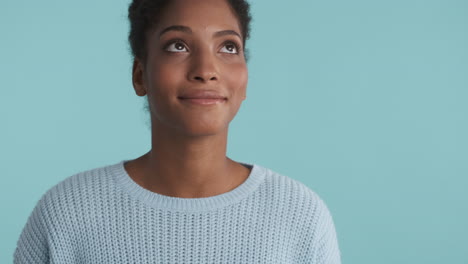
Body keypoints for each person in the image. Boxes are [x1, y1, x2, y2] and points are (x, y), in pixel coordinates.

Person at [14, 0, 342, 263]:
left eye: (228, 47)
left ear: (245, 78)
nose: (206, 70)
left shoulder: (300, 214)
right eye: (178, 46)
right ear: (140, 76)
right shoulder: (66, 212)